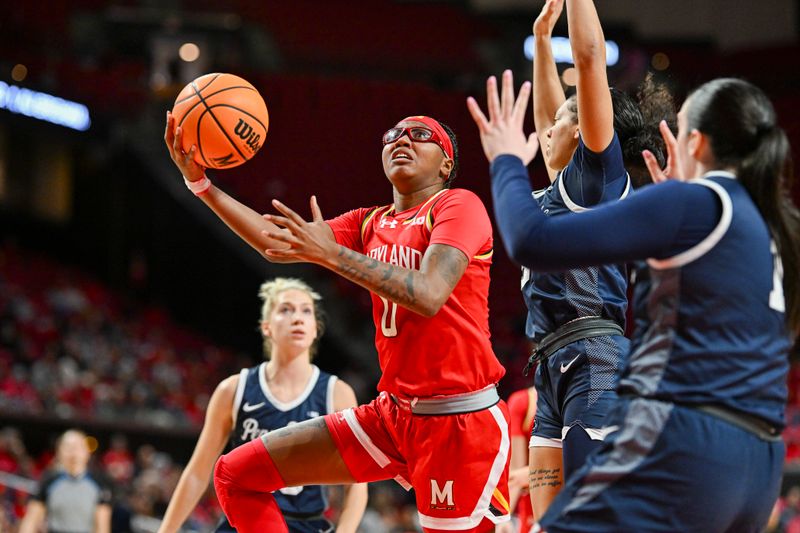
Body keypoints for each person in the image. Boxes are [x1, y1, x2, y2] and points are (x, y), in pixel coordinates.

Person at [468, 70, 799, 531]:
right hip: (760, 459)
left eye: (677, 128)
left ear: (697, 142)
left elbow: (531, 240)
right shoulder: (770, 223)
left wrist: (504, 158)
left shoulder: (693, 201)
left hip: (694, 439)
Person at [164, 111, 511, 533]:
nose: (403, 139)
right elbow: (276, 245)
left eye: (421, 135)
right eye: (393, 134)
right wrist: (200, 184)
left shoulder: (459, 205)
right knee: (235, 475)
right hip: (393, 416)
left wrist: (331, 254)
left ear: (446, 164)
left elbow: (428, 293)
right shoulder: (369, 221)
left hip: (458, 422)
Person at [521, 0, 674, 517]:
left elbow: (588, 61)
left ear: (586, 130)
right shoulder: (555, 191)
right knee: (546, 522)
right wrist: (542, 38)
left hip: (596, 358)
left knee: (592, 519)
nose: (549, 125)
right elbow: (547, 116)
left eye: (569, 116)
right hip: (549, 365)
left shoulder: (598, 182)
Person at [156, 278, 367, 533]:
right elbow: (197, 473)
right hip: (244, 524)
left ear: (315, 328)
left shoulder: (337, 393)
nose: (297, 318)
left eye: (306, 311)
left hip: (305, 525)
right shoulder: (234, 389)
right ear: (266, 327)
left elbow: (356, 483)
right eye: (286, 309)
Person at [18, 429, 113, 533]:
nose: (73, 453)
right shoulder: (49, 481)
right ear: (59, 451)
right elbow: (31, 520)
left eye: (77, 447)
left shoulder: (99, 483)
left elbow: (102, 525)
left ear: (87, 452)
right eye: (68, 447)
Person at [497, 387, 537, 533]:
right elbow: (516, 474)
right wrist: (504, 518)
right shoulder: (523, 402)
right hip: (531, 510)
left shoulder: (587, 400)